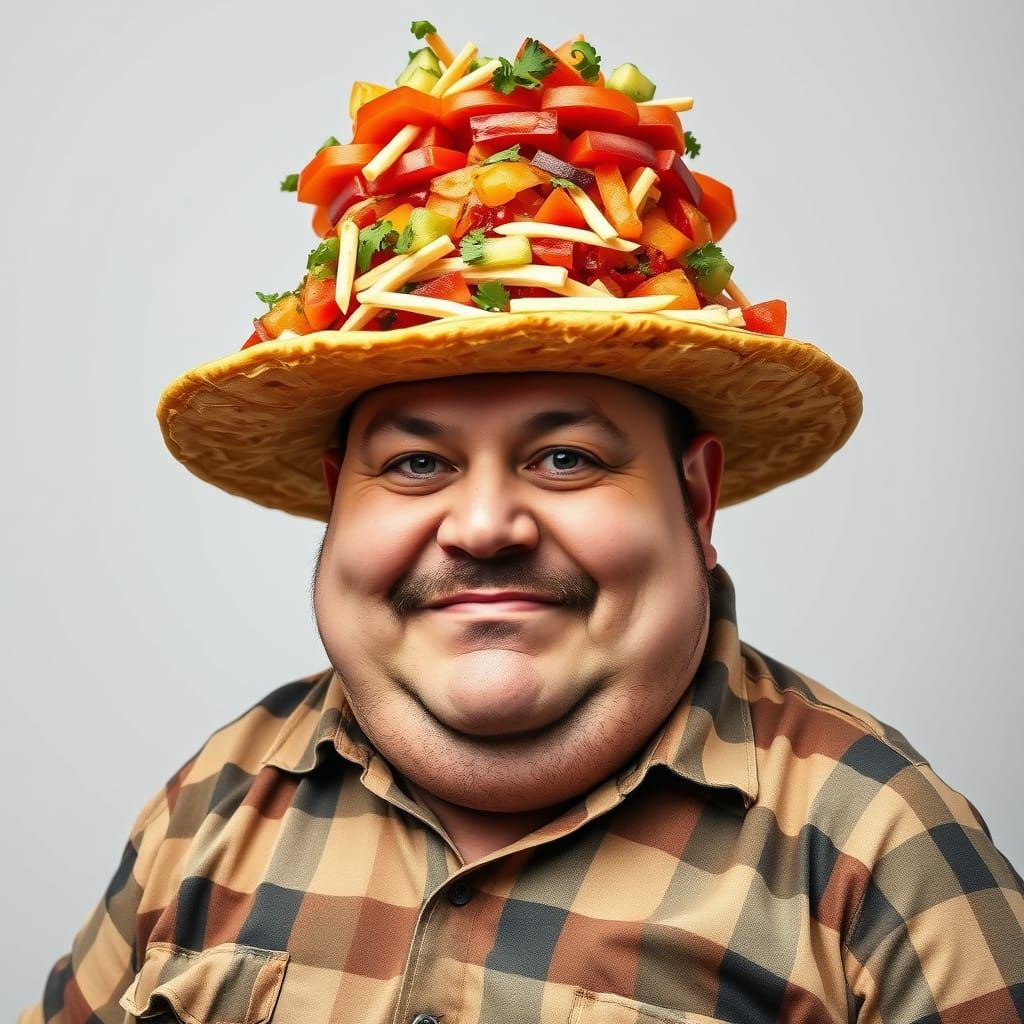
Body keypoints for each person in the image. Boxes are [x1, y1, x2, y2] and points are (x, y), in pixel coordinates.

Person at [22, 25, 1023, 1024]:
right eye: (416, 464)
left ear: (696, 498)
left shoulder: (882, 856)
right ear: (338, 501)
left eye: (566, 458)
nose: (485, 525)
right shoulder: (210, 805)